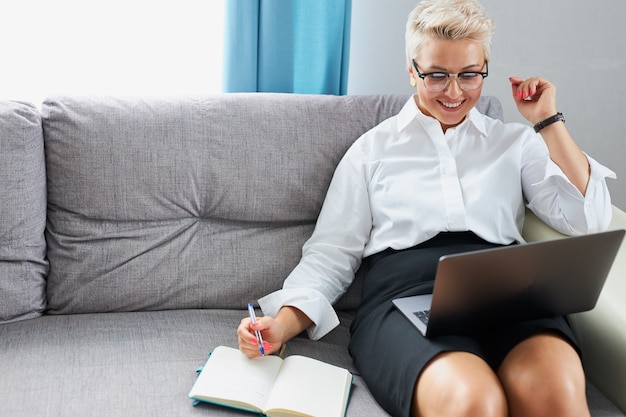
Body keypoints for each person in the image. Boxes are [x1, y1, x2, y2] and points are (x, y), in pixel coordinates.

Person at [237, 0, 616, 416]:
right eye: (437, 75)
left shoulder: (515, 142)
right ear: (412, 69)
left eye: (469, 75)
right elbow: (330, 257)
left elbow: (587, 218)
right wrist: (282, 325)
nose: (455, 92)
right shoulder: (371, 151)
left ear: (485, 66)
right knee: (474, 402)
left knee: (555, 393)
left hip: (508, 295)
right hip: (404, 299)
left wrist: (547, 122)